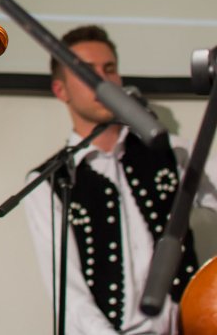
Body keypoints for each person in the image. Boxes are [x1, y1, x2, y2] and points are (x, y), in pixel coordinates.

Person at [23, 25, 217, 334]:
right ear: (61, 90)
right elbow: (70, 294)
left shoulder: (173, 151)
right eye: (87, 72)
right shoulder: (48, 182)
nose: (103, 80)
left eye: (109, 69)